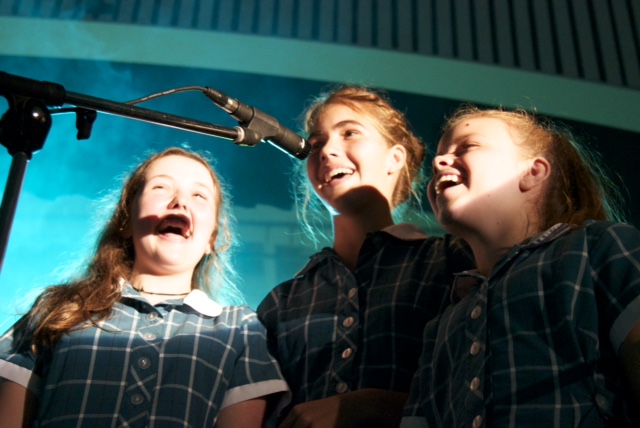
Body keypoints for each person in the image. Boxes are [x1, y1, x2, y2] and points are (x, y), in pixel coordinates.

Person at [0, 147, 289, 427]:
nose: (180, 202)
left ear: (212, 239)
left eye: (199, 195)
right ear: (126, 221)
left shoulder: (239, 329)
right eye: (161, 188)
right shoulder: (59, 309)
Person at [401, 105, 640, 427]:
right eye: (440, 155)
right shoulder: (445, 319)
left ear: (533, 172)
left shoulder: (598, 247)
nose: (438, 161)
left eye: (468, 147)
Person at [257, 85, 475, 427]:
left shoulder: (454, 262)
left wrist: (377, 406)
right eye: (315, 144)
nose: (327, 151)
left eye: (350, 133)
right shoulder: (281, 301)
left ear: (395, 158)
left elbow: (481, 386)